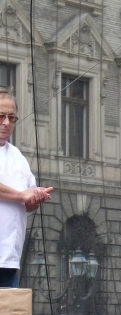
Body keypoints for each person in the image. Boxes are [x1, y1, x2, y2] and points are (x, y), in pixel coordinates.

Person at [0, 88, 52, 288]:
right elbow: (22, 196)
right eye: (1, 116)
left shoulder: (17, 156)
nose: (6, 123)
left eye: (11, 118)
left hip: (9, 259)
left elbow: (28, 204)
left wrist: (35, 198)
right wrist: (22, 196)